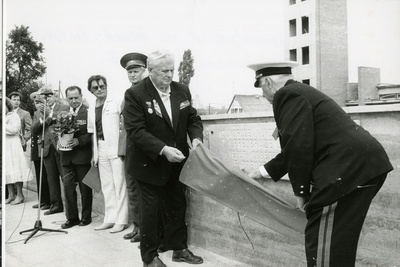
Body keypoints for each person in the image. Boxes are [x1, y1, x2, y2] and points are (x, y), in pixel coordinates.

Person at [244, 61, 393, 267]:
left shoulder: (286, 95)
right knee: (337, 244)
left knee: (323, 243)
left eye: (261, 87)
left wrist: (301, 193)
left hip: (345, 169)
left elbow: (298, 145)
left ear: (267, 81)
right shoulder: (301, 91)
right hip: (362, 167)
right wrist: (260, 173)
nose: (263, 95)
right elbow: (298, 144)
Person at [124, 50, 204, 267]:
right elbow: (135, 130)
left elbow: (193, 118)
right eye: (164, 71)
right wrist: (163, 149)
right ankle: (149, 258)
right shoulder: (135, 94)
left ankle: (179, 249)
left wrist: (196, 138)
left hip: (176, 162)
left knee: (178, 205)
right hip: (148, 163)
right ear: (150, 71)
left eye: (172, 70)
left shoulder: (181, 90)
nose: (169, 75)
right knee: (150, 212)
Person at [87, 75, 129, 233]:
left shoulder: (116, 102)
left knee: (119, 183)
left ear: (106, 86)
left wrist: (122, 147)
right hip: (101, 147)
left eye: (102, 86)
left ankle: (121, 220)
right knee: (106, 185)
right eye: (95, 88)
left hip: (116, 147)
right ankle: (110, 218)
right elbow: (92, 133)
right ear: (91, 90)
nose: (99, 89)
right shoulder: (91, 108)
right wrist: (94, 154)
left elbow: (125, 123)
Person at [119, 52, 148, 243]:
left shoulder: (147, 94)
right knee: (132, 191)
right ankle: (137, 226)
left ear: (145, 71)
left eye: (136, 71)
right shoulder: (126, 95)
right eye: (129, 72)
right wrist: (122, 150)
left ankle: (146, 231)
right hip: (127, 150)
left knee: (145, 193)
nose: (132, 75)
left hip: (143, 151)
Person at [59, 86, 93, 229]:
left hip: (82, 156)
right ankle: (71, 217)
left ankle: (86, 217)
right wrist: (60, 141)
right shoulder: (63, 113)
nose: (73, 101)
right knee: (68, 188)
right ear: (67, 98)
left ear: (81, 96)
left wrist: (79, 141)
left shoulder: (88, 112)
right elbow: (57, 132)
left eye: (76, 97)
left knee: (85, 189)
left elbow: (92, 134)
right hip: (66, 157)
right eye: (70, 98)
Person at [32, 88, 67, 215]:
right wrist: (46, 118)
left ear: (55, 96)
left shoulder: (63, 107)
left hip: (60, 147)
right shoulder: (37, 113)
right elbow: (34, 130)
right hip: (46, 148)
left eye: (49, 95)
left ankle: (70, 206)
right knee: (51, 179)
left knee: (65, 177)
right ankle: (56, 205)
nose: (47, 98)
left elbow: (65, 122)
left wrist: (50, 114)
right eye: (44, 96)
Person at [5, 97, 32, 205]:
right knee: (7, 169)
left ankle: (20, 195)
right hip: (6, 144)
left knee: (16, 168)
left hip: (14, 144)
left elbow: (14, 130)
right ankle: (11, 195)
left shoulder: (14, 116)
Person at [30, 91, 51, 210]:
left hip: (44, 148)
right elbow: (34, 129)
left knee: (46, 175)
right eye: (36, 102)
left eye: (40, 102)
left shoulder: (48, 113)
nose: (38, 104)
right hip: (36, 149)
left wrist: (44, 119)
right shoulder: (37, 114)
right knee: (39, 175)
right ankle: (42, 200)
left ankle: (48, 201)